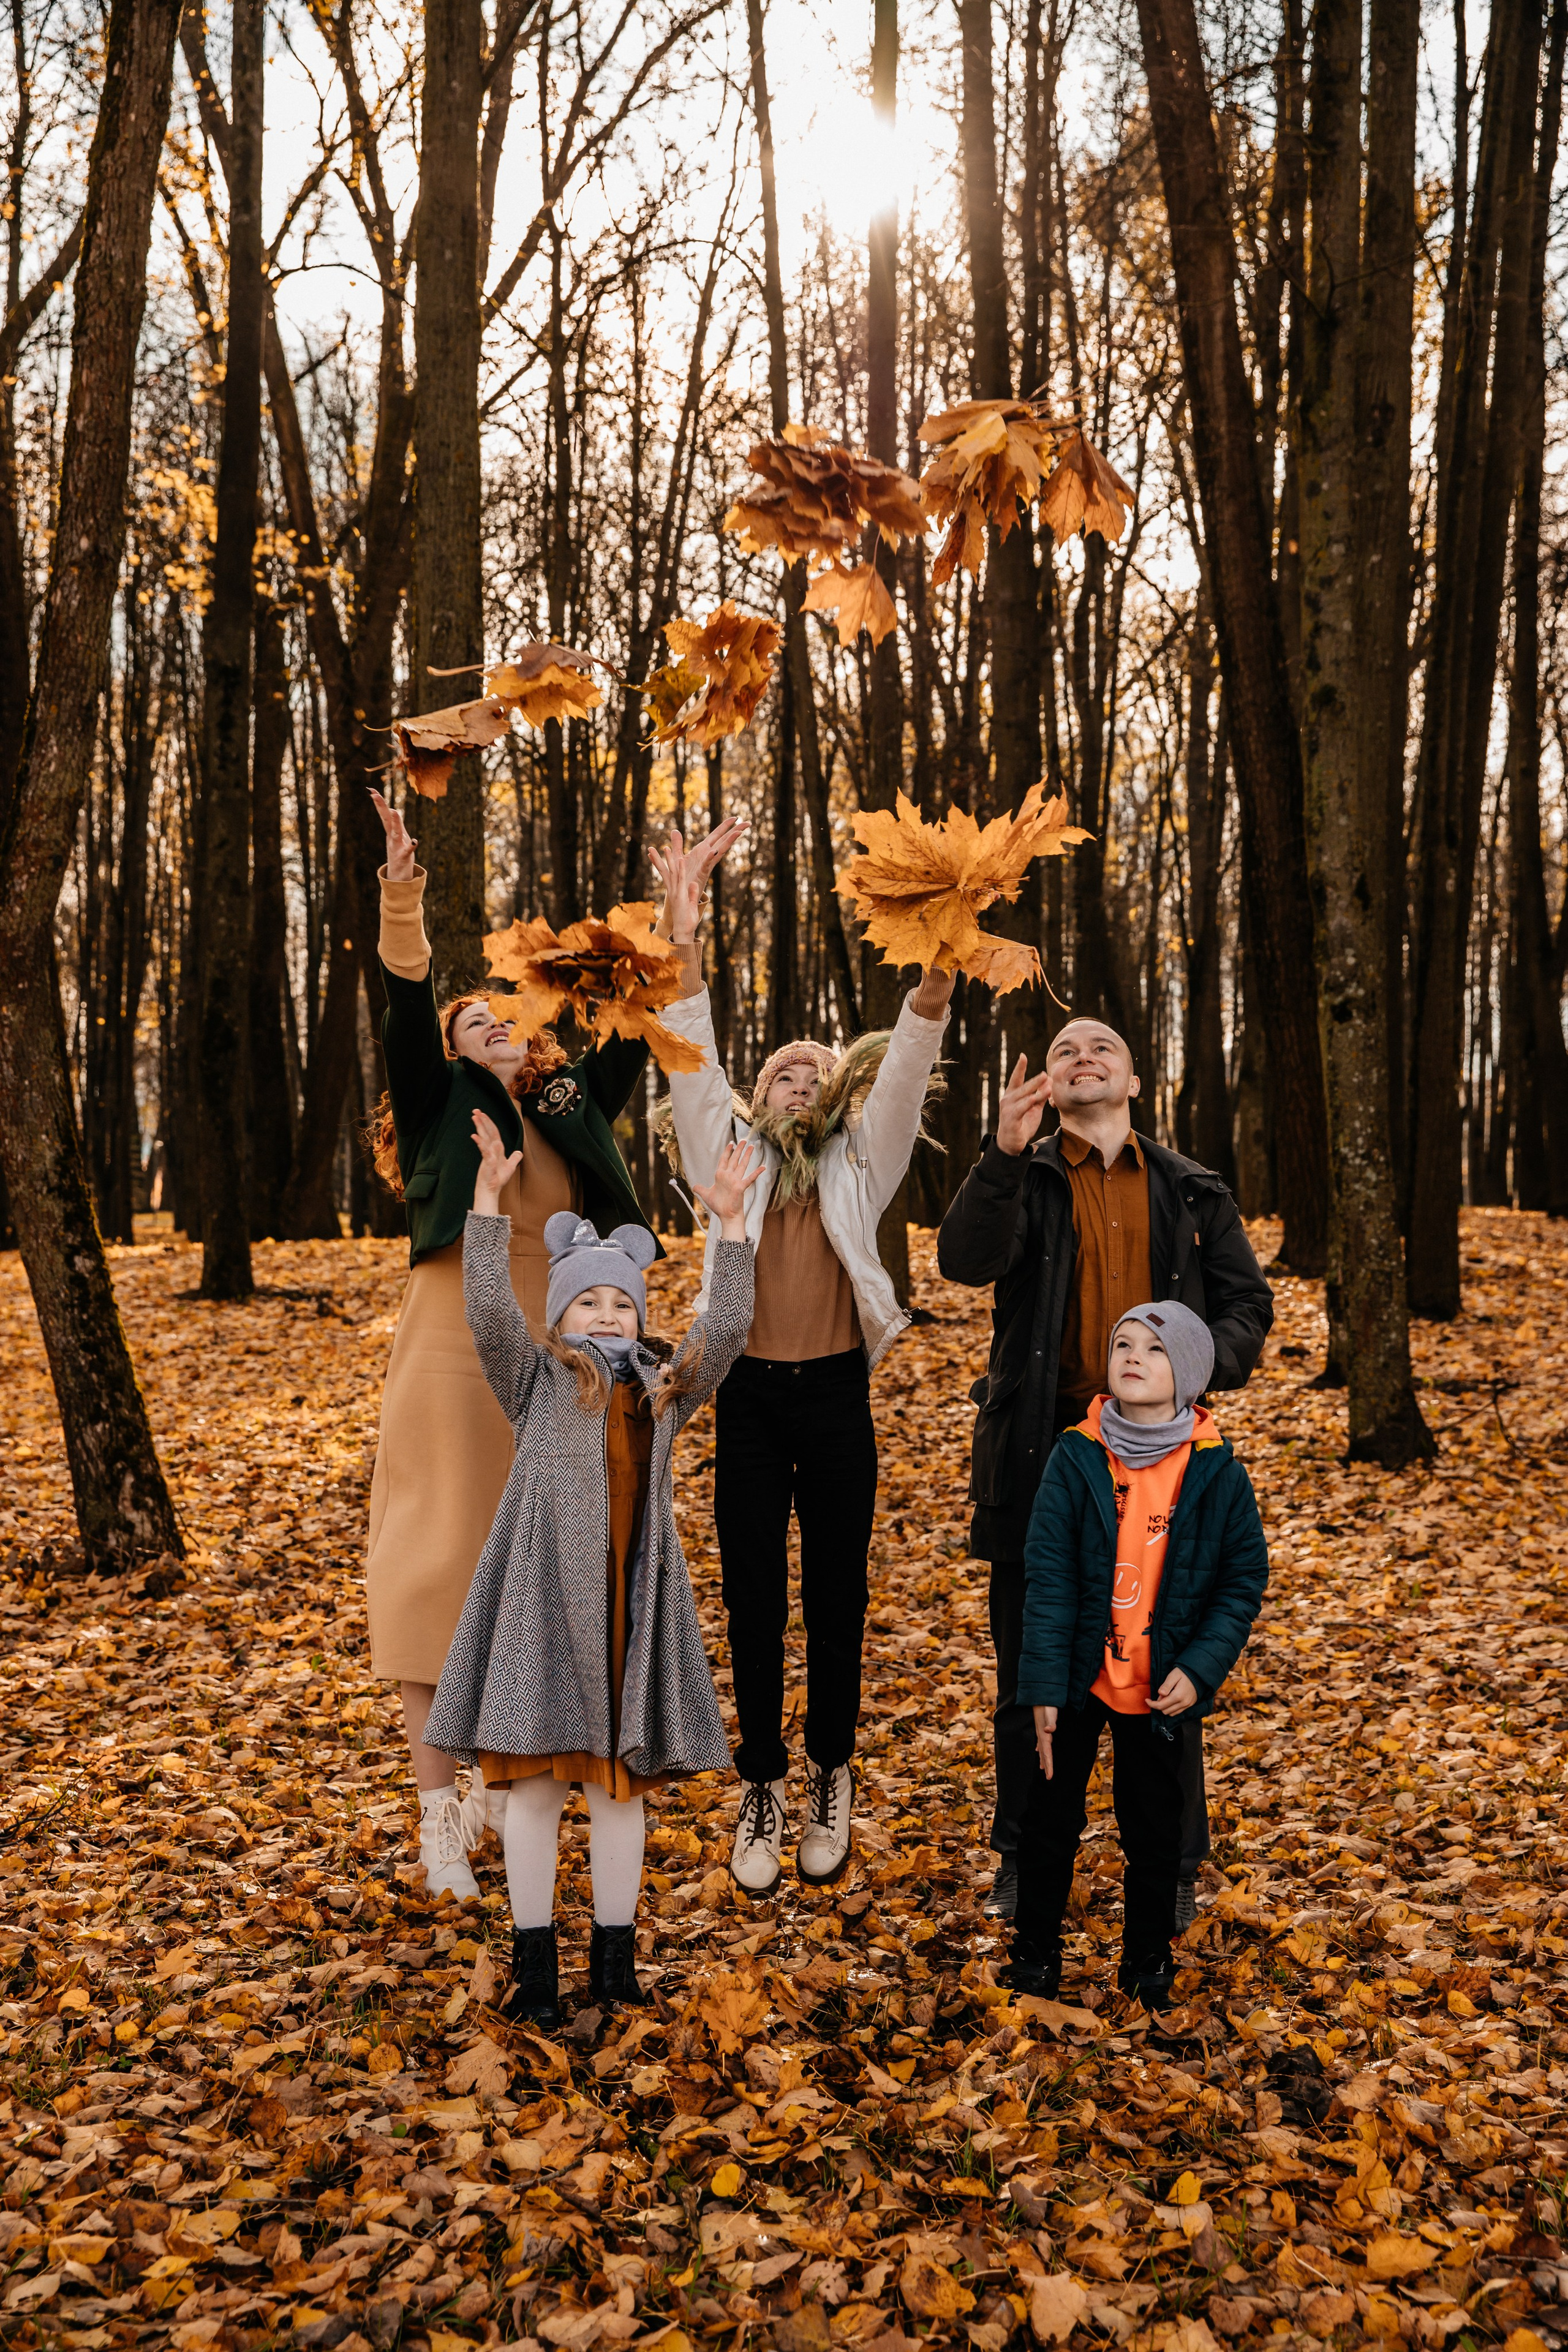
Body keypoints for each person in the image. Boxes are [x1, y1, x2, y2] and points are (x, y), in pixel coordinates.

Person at [362, 787, 740, 1900]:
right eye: (475, 1021)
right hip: (449, 1337)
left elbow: (646, 1020)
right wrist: (401, 886)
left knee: (534, 1569)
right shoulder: (438, 1108)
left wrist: (682, 916)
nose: (497, 1027)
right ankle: (443, 1811)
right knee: (431, 1566)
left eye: (511, 1021)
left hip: (565, 1351)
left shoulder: (573, 1103)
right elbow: (404, 992)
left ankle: (538, 1772)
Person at [653, 831, 954, 1896]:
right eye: (779, 1067)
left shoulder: (859, 1162)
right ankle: (764, 1786)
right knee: (753, 1598)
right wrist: (683, 930)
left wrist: (935, 969)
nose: (793, 1078)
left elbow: (906, 1076)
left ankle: (832, 1772)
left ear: (834, 1095)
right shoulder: (725, 1162)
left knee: (833, 1596)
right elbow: (692, 1060)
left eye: (813, 1070)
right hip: (746, 1403)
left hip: (833, 1401)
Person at [423, 1113, 762, 2024]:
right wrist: (488, 1204)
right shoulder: (537, 1380)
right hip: (541, 1605)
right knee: (532, 1790)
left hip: (629, 1608)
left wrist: (729, 1228)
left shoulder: (663, 1387)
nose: (608, 1316)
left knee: (620, 1795)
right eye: (590, 1303)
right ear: (562, 1315)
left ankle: (615, 1965)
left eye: (622, 1304)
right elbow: (489, 1310)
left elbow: (725, 1330)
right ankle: (536, 1966)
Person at [937, 1019, 1273, 1925]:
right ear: (1047, 1087)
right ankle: (1022, 1855)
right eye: (1063, 1052)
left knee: (1161, 1669)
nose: (1083, 1057)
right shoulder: (1028, 1173)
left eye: (1102, 1049)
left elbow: (1248, 1303)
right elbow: (963, 1262)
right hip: (1045, 1458)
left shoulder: (1191, 1189)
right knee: (1031, 1669)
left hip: (1167, 1465)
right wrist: (1002, 1154)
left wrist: (1197, 1366)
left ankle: (1168, 1866)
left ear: (1133, 1079)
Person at [1005, 1302, 1268, 2008]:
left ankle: (1147, 1961)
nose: (1132, 1357)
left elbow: (1242, 1578)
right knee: (1049, 1820)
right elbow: (1049, 1575)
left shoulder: (1215, 1472)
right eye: (1122, 1343)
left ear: (1185, 1372)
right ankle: (1033, 1955)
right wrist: (1042, 1691)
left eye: (1153, 1350)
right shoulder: (1077, 1454)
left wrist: (1202, 1667)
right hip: (1077, 1679)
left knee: (1153, 1828)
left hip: (1162, 1687)